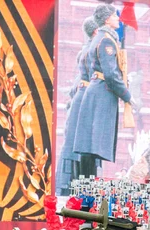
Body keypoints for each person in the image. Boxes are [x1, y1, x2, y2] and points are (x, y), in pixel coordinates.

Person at [72, 4, 135, 176]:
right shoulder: (107, 40)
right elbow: (110, 74)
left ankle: (86, 186)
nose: (118, 18)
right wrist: (127, 95)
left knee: (90, 145)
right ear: (107, 19)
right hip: (102, 93)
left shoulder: (100, 38)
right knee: (92, 145)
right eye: (115, 15)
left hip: (97, 91)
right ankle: (87, 189)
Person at [56, 17, 99, 194]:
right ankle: (76, 187)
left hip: (78, 107)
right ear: (96, 32)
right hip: (82, 108)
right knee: (81, 149)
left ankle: (71, 184)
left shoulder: (86, 51)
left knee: (75, 147)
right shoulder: (92, 51)